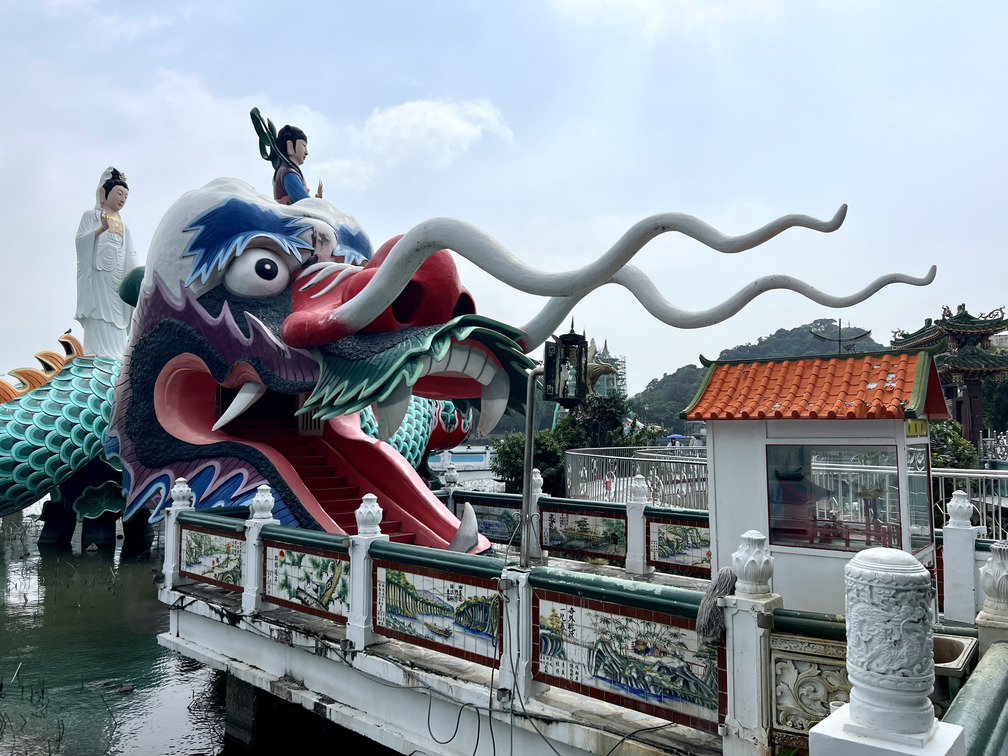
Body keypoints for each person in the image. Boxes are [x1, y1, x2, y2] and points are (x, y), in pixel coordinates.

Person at [75, 167, 141, 359]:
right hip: (97, 278)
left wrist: (138, 276)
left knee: (117, 319)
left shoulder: (125, 227)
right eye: (119, 193)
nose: (122, 199)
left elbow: (130, 254)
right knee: (98, 314)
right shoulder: (91, 216)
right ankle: (94, 350)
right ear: (104, 193)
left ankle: (116, 356)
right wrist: (100, 230)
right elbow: (80, 242)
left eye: (126, 196)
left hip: (116, 279)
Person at [273, 124, 324, 204]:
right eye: (303, 145)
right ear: (290, 146)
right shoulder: (289, 173)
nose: (306, 152)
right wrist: (318, 205)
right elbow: (304, 202)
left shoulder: (286, 170)